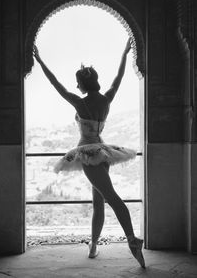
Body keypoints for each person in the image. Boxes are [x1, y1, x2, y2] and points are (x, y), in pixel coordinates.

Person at [33, 38, 145, 268]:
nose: (76, 87)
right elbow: (118, 78)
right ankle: (93, 245)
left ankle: (133, 240)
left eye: (77, 83)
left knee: (111, 197)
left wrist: (40, 61)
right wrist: (124, 55)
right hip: (103, 151)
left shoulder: (80, 103)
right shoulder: (106, 99)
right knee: (99, 202)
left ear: (83, 85)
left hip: (88, 153)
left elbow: (57, 86)